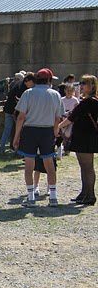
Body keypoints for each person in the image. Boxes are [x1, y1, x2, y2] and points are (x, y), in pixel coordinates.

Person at [13, 68, 64, 207]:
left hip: (30, 131)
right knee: (49, 164)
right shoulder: (55, 94)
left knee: (29, 165)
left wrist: (16, 136)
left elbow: (21, 117)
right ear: (48, 80)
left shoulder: (28, 93)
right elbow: (57, 118)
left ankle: (31, 197)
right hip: (47, 131)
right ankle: (53, 196)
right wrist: (55, 132)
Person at [58, 75, 98, 205]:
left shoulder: (89, 102)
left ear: (92, 85)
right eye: (81, 83)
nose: (81, 85)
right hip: (84, 136)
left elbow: (72, 117)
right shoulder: (87, 100)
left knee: (87, 167)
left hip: (86, 137)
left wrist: (58, 127)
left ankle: (90, 195)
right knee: (84, 167)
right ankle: (84, 193)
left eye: (84, 83)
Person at [0, 71, 25, 154]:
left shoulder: (12, 85)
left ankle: (2, 148)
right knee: (18, 130)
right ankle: (17, 150)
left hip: (8, 109)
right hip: (15, 111)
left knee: (7, 130)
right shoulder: (21, 87)